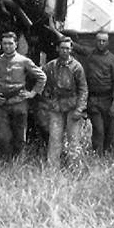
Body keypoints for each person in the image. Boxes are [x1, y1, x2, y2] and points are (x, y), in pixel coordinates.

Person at [0, 31, 45, 158]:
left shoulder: (24, 61)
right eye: (4, 44)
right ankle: (5, 163)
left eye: (10, 43)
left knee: (20, 136)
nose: (7, 46)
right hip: (2, 104)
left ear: (16, 44)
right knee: (3, 137)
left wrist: (32, 93)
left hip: (19, 103)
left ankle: (19, 162)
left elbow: (41, 77)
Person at [41, 37, 89, 168]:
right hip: (56, 108)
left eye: (67, 48)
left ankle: (76, 169)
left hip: (73, 107)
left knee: (74, 140)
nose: (64, 51)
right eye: (62, 48)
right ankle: (52, 169)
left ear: (71, 50)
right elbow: (42, 84)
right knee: (54, 139)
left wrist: (80, 109)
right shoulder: (50, 66)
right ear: (57, 49)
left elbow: (83, 89)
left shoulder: (77, 67)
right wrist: (49, 101)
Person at [73, 31, 114, 154]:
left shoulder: (113, 60)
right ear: (95, 42)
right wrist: (55, 31)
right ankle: (97, 156)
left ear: (107, 42)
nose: (101, 43)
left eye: (103, 41)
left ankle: (108, 156)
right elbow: (74, 46)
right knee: (98, 130)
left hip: (108, 100)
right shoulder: (90, 53)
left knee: (109, 131)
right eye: (99, 41)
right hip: (93, 100)